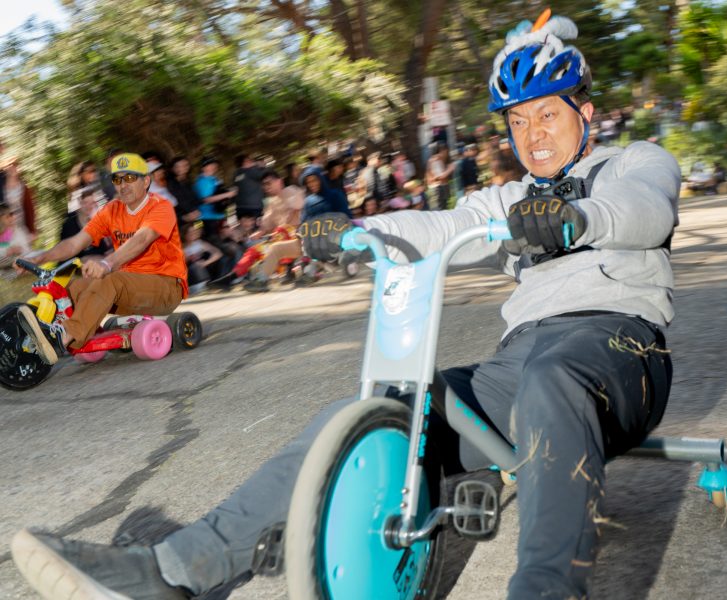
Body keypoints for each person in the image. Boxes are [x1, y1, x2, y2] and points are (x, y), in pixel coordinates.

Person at [10, 13, 679, 600]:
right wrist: (355, 236)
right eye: (518, 120)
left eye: (549, 114)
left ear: (584, 113)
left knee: (550, 378)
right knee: (380, 409)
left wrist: (574, 218)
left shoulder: (634, 162)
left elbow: (644, 210)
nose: (534, 134)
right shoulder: (505, 200)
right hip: (523, 356)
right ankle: (179, 569)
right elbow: (439, 229)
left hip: (620, 351)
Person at [14, 153, 188, 366]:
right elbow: (75, 243)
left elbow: (142, 239)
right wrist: (41, 256)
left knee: (108, 279)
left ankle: (66, 334)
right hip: (129, 288)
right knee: (74, 287)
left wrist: (107, 263)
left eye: (130, 178)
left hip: (167, 286)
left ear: (146, 181)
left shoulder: (161, 207)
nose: (123, 185)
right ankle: (52, 332)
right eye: (118, 179)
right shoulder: (111, 210)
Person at [59, 188, 112, 259]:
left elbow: (104, 249)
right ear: (79, 205)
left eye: (92, 203)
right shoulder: (69, 226)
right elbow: (69, 254)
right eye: (85, 203)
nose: (89, 206)